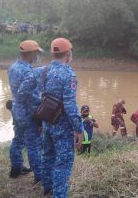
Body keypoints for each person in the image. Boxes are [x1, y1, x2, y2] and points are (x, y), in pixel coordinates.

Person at [41, 38, 84, 197]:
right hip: (62, 127)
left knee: (47, 156)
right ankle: (59, 194)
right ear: (68, 53)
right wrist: (78, 129)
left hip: (47, 122)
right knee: (63, 164)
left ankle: (47, 188)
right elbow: (70, 105)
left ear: (53, 53)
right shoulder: (69, 74)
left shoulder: (45, 70)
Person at [7, 40, 43, 183]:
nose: (37, 56)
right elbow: (30, 96)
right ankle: (39, 176)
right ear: (30, 53)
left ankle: (16, 168)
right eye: (36, 53)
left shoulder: (12, 67)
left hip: (17, 110)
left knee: (18, 139)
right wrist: (41, 107)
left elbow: (17, 93)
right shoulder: (29, 72)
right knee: (33, 144)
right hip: (28, 113)